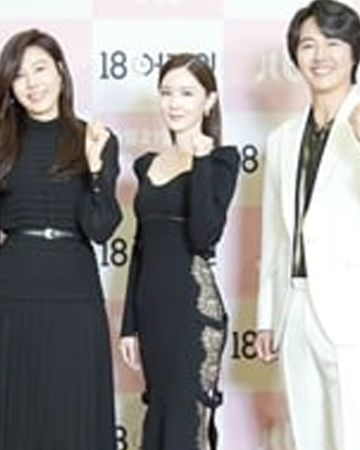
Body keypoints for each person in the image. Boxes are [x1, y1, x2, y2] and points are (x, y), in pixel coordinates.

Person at [253, 1, 360, 448]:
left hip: (357, 310)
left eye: (333, 43)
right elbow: (275, 237)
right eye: (309, 45)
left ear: (354, 52)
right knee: (309, 439)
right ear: (295, 56)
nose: (320, 55)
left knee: (359, 438)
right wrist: (268, 316)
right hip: (296, 308)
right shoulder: (282, 139)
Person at [0, 28, 122, 450]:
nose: (32, 83)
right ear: (9, 87)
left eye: (40, 68)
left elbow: (101, 228)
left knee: (73, 423)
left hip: (76, 300)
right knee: (14, 423)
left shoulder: (95, 139)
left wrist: (94, 170)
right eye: (19, 75)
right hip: (12, 301)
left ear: (61, 71)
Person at [117, 53, 240, 450]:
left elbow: (205, 235)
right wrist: (129, 325)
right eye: (167, 93)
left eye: (187, 93)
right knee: (158, 422)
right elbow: (140, 247)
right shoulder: (146, 166)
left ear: (209, 101)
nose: (174, 103)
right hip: (153, 315)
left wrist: (200, 162)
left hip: (193, 313)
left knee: (187, 427)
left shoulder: (222, 161)